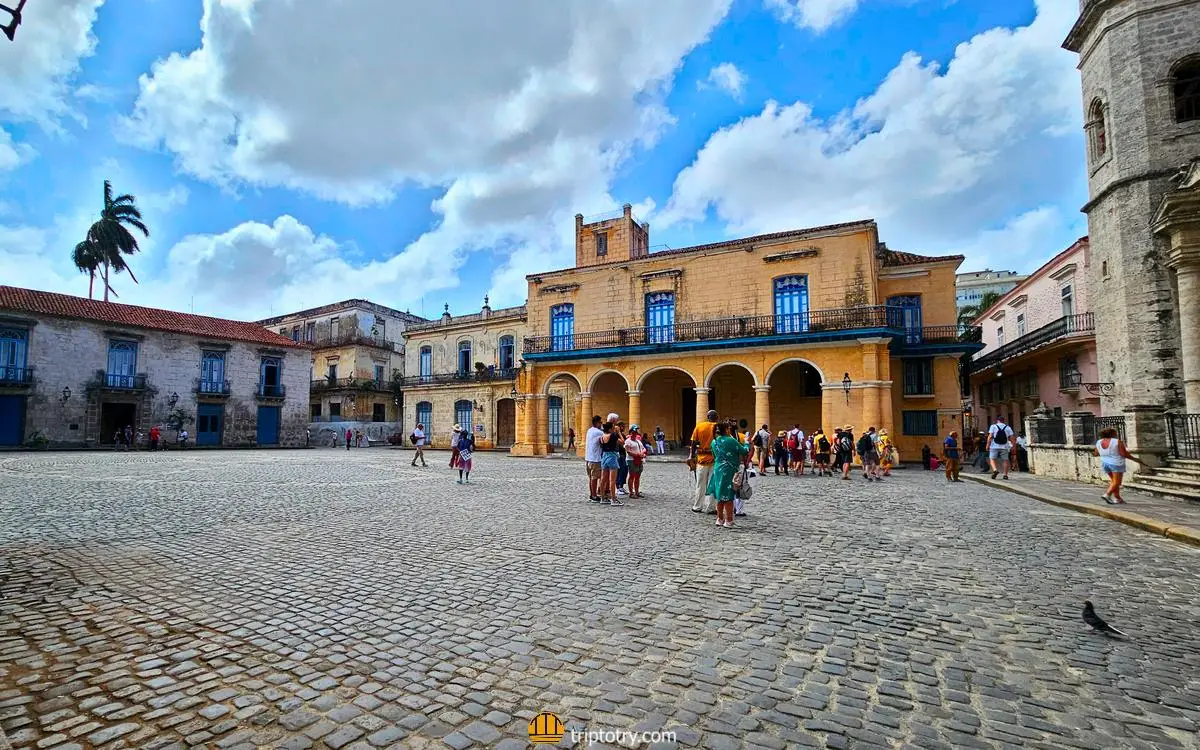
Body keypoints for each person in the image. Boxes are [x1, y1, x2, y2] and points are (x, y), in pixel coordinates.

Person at [707, 420, 749, 528]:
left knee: (720, 496)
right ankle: (729, 520)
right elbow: (744, 451)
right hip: (729, 470)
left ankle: (719, 519)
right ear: (726, 429)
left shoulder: (714, 441)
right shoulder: (731, 440)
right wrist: (747, 443)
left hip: (717, 469)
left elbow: (714, 456)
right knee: (729, 497)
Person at [1094, 428, 1143, 504]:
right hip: (1116, 463)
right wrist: (1135, 459)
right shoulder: (1117, 442)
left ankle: (1117, 498)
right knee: (1117, 482)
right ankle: (1107, 494)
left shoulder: (1099, 442)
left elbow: (1096, 453)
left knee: (1114, 481)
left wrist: (1106, 453)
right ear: (1112, 434)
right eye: (1115, 432)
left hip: (1105, 463)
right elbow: (1124, 454)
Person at [689, 409, 719, 514]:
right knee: (713, 484)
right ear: (717, 418)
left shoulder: (699, 426)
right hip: (715, 460)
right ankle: (711, 507)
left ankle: (697, 506)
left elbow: (693, 443)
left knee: (700, 484)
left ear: (707, 417)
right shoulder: (720, 427)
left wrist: (691, 456)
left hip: (701, 460)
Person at [599, 421, 623, 506]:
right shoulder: (613, 435)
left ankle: (602, 497)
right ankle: (613, 499)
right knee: (612, 480)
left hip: (604, 456)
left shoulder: (602, 436)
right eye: (613, 427)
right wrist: (619, 432)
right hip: (612, 456)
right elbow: (622, 441)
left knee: (603, 479)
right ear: (610, 429)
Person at [987, 416, 1014, 480]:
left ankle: (995, 470)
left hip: (994, 446)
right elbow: (1012, 438)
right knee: (1005, 460)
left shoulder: (993, 426)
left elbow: (990, 436)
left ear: (997, 420)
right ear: (1003, 420)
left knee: (992, 459)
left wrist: (987, 445)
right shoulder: (1008, 427)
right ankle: (1005, 475)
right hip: (1005, 446)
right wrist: (1013, 446)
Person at [585, 415, 604, 502]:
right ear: (597, 423)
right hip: (595, 458)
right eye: (600, 422)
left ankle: (592, 494)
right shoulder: (598, 432)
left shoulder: (589, 430)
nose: (601, 424)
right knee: (595, 478)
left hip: (588, 457)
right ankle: (594, 495)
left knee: (591, 477)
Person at [624, 426, 647, 499]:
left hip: (639, 460)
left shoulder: (638, 441)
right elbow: (628, 452)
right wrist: (637, 455)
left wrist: (642, 453)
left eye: (635, 433)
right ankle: (631, 492)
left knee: (638, 476)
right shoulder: (628, 441)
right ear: (630, 433)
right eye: (633, 433)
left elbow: (643, 448)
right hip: (632, 460)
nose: (634, 434)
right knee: (632, 476)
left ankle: (636, 491)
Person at [614, 419, 630, 496]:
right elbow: (622, 443)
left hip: (624, 454)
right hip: (619, 455)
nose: (624, 428)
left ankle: (622, 486)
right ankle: (618, 487)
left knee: (625, 470)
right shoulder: (616, 435)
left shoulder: (622, 435)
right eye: (623, 426)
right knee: (620, 471)